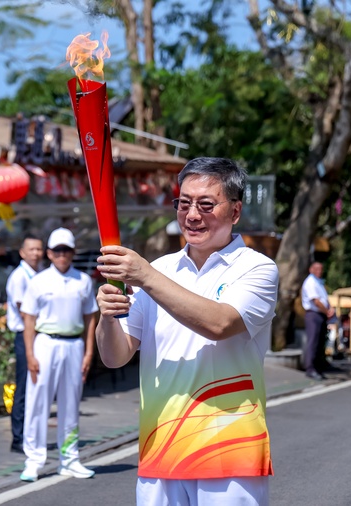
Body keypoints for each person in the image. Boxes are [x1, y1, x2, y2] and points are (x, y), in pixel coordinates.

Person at [95, 157, 278, 505]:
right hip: (160, 449)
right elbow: (116, 355)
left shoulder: (257, 268)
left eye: (206, 205)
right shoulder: (160, 270)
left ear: (235, 211)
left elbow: (220, 323)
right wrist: (107, 316)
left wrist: (145, 276)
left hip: (230, 451)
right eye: (184, 203)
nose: (192, 215)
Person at [19, 228, 98, 482]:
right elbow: (28, 320)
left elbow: (90, 319)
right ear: (50, 253)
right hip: (45, 343)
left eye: (66, 250)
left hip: (73, 344)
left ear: (73, 253)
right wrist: (30, 354)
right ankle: (33, 460)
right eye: (57, 250)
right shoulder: (38, 281)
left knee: (71, 403)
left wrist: (89, 353)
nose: (62, 255)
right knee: (37, 402)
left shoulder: (83, 281)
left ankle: (70, 458)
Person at [5, 234, 44, 453]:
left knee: (36, 385)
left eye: (39, 249)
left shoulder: (39, 275)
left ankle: (31, 434)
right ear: (22, 252)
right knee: (23, 384)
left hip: (38, 335)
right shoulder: (19, 277)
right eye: (32, 249)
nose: (36, 254)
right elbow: (25, 311)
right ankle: (18, 438)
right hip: (25, 335)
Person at [301, 262, 332, 380]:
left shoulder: (319, 282)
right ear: (311, 269)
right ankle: (310, 368)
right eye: (317, 269)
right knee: (313, 342)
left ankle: (318, 367)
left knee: (320, 343)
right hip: (313, 314)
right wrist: (327, 311)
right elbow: (316, 301)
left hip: (321, 314)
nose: (319, 271)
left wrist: (330, 308)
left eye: (321, 269)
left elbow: (324, 299)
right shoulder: (310, 282)